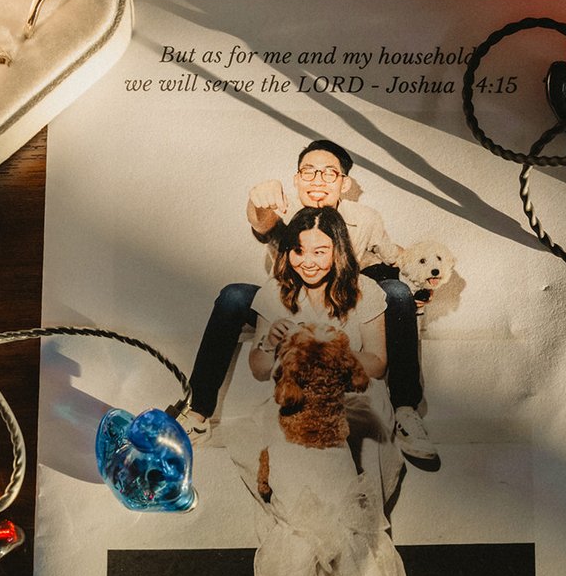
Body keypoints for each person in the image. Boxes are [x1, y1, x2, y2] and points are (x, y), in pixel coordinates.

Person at [179, 138, 437, 460]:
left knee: (398, 292)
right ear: (297, 179)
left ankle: (406, 411)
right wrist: (257, 200)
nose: (317, 181)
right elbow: (261, 221)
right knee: (233, 296)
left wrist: (421, 283)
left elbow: (394, 255)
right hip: (291, 302)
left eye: (329, 173)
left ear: (344, 183)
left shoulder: (366, 219)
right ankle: (197, 412)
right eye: (309, 172)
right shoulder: (285, 212)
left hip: (342, 305)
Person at [240, 208, 414, 576]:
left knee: (362, 435)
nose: (308, 261)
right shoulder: (274, 291)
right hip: (294, 397)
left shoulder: (364, 290)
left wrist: (330, 351)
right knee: (289, 454)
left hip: (350, 394)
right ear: (288, 252)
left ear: (339, 252)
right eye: (298, 251)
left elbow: (377, 364)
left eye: (320, 251)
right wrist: (270, 343)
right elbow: (260, 369)